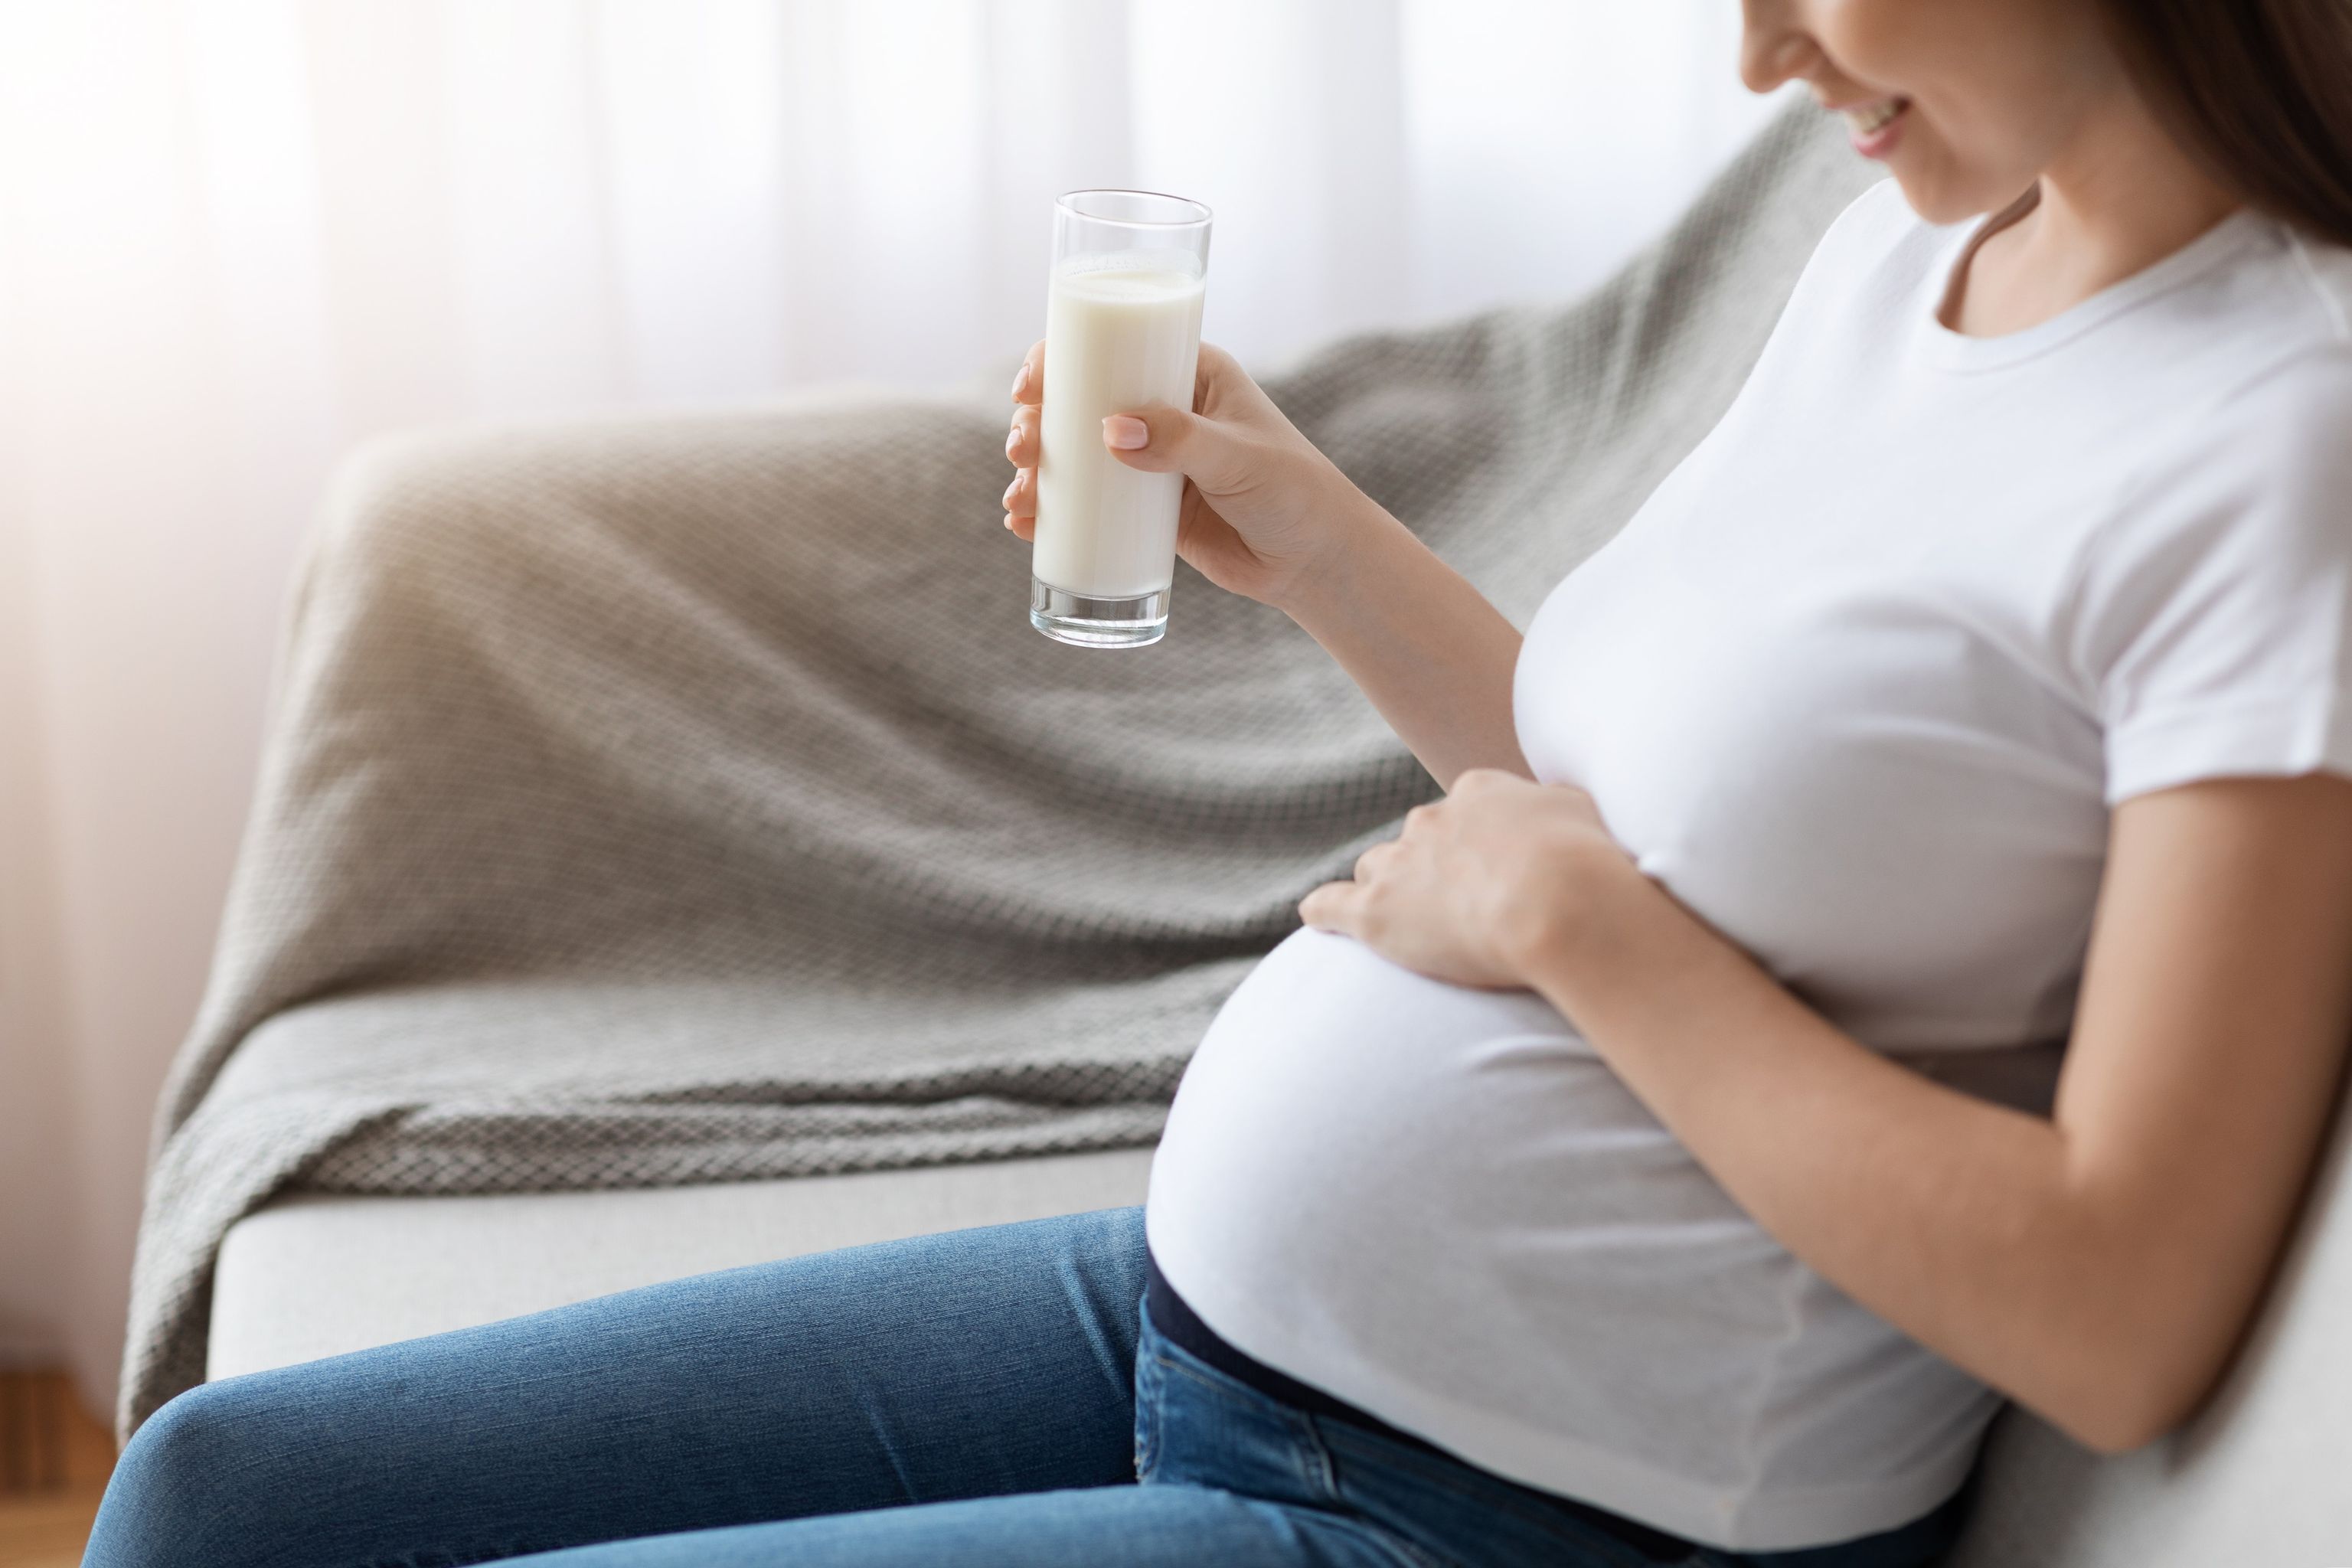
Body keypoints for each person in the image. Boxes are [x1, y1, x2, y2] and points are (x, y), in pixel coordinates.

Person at [87, 2, 2352, 1564]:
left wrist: (1574, 936)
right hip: (1200, 1311)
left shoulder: (2279, 444)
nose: (1754, 51)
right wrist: (1319, 545)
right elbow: (1644, 782)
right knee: (219, 1500)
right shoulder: (1920, 254)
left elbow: (2117, 1313)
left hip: (1515, 1513)